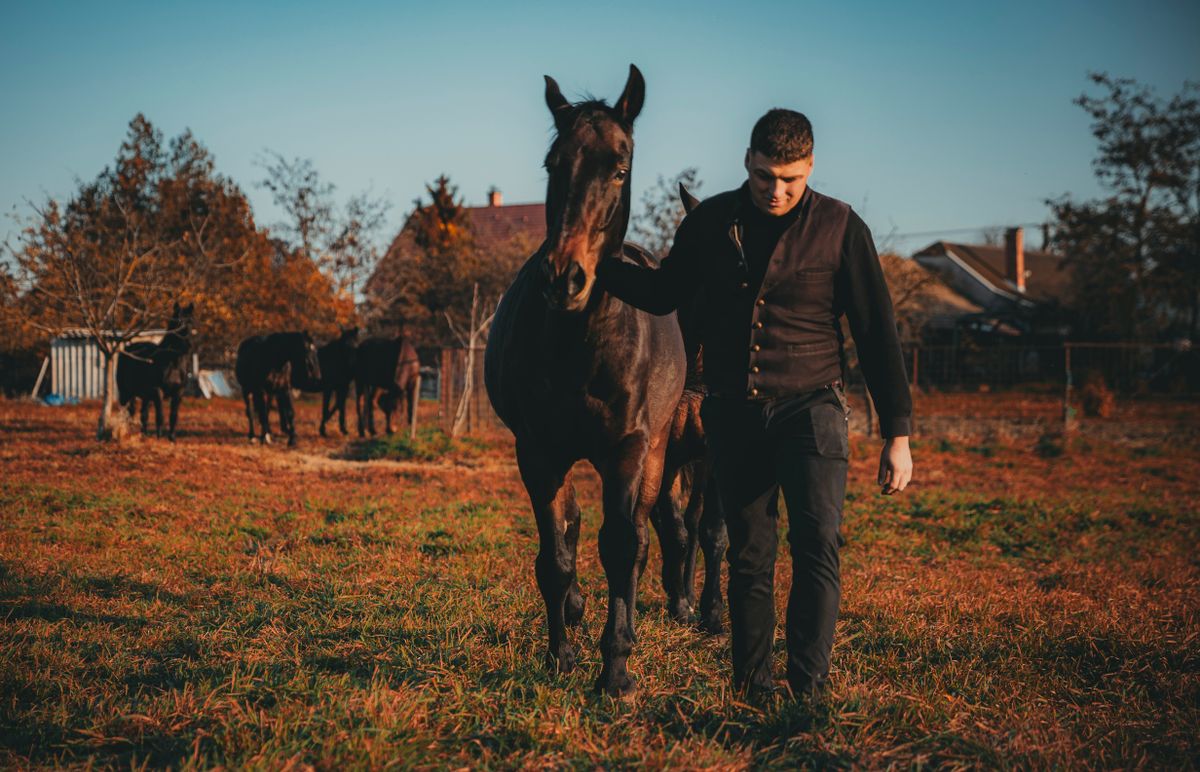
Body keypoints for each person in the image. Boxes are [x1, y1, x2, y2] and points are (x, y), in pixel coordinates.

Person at [596, 108, 913, 700]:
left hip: (813, 412)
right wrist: (598, 266)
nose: (777, 190)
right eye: (767, 176)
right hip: (735, 414)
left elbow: (877, 333)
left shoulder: (843, 228)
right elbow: (664, 291)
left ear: (810, 167)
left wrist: (897, 432)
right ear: (748, 161)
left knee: (818, 544)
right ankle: (753, 686)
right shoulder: (711, 222)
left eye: (790, 179)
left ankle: (808, 688)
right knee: (749, 554)